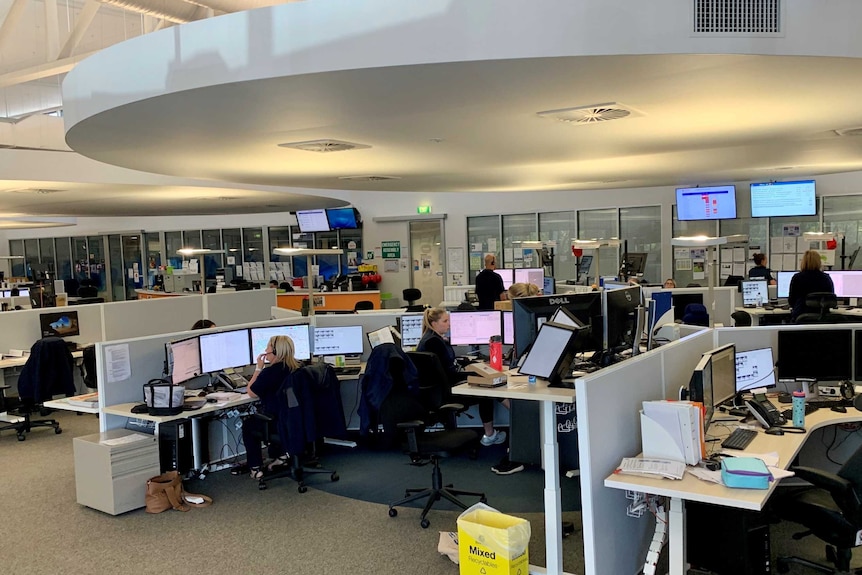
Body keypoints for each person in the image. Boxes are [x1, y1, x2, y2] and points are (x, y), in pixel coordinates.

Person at [416, 307, 507, 447]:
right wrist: (473, 375)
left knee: (488, 382)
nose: (449, 324)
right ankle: (490, 435)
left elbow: (444, 368)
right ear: (434, 324)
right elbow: (449, 374)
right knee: (488, 390)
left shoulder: (429, 339)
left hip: (438, 390)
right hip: (446, 392)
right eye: (445, 321)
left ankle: (493, 433)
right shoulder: (434, 342)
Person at [240, 335, 301, 479]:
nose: (265, 350)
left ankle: (255, 468)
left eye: (268, 347)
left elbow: (251, 392)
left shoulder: (269, 373)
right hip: (297, 420)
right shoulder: (298, 368)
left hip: (277, 423)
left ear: (275, 352)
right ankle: (282, 456)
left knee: (249, 425)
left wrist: (258, 369)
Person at [788, 250, 835, 321]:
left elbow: (791, 301)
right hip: (822, 316)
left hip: (801, 316)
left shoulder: (797, 278)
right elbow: (830, 299)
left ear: (803, 262)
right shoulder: (826, 278)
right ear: (819, 262)